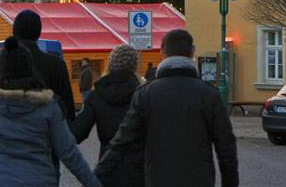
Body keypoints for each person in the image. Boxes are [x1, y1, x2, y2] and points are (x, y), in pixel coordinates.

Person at [95, 29, 238, 187]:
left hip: (157, 178)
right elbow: (226, 148)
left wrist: (95, 177)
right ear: (192, 52)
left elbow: (122, 140)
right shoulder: (209, 94)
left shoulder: (145, 94)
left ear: (162, 52)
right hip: (199, 179)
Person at [0, 36, 100, 187]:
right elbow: (69, 153)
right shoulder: (48, 106)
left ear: (1, 68)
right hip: (40, 179)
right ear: (30, 68)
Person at [70, 44, 142, 187]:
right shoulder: (144, 94)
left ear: (110, 64)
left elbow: (77, 133)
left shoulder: (96, 95)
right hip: (140, 171)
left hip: (108, 167)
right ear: (135, 66)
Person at [0, 9, 75, 121]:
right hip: (44, 131)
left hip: (0, 131)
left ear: (14, 31)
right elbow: (67, 108)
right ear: (38, 32)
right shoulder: (55, 65)